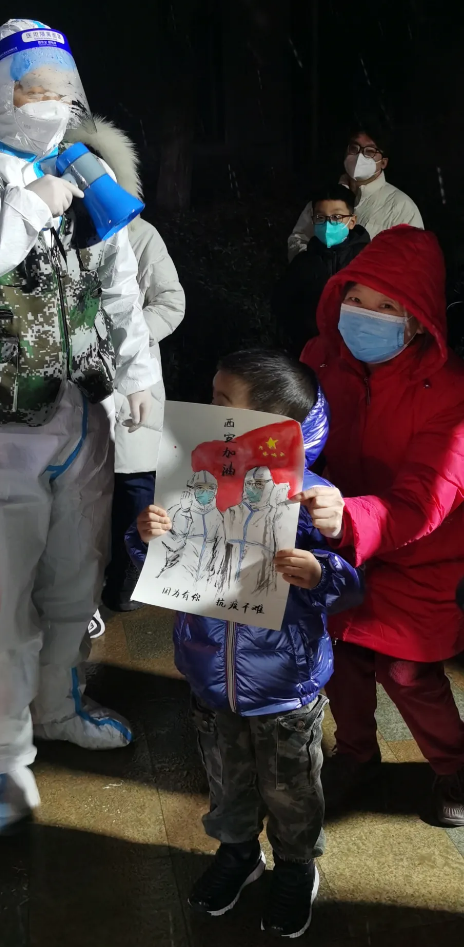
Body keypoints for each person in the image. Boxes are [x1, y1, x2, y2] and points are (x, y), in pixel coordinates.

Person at [0, 19, 160, 836]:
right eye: (33, 88)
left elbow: (117, 287)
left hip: (78, 416)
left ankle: (58, 708)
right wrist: (31, 200)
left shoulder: (85, 168)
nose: (53, 103)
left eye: (63, 88)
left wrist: (137, 380)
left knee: (71, 587)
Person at [130, 349, 363, 938]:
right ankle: (238, 854)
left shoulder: (313, 499)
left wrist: (320, 571)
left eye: (221, 401)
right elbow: (161, 564)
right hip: (210, 677)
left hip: (286, 687)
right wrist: (146, 537)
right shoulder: (194, 477)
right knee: (225, 780)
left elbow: (349, 586)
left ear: (268, 424)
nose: (209, 409)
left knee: (291, 789)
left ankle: (295, 866)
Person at [299, 225, 464, 828]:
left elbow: (424, 501)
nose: (365, 315)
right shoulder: (319, 361)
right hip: (336, 541)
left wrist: (350, 516)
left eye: (387, 306)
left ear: (418, 320)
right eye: (356, 298)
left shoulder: (450, 393)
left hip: (419, 553)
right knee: (341, 654)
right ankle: (356, 755)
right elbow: (291, 437)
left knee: (407, 670)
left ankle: (456, 768)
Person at [68, 116, 185, 614]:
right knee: (80, 493)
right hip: (76, 388)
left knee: (135, 487)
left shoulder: (140, 235)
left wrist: (128, 340)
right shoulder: (53, 232)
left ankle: (128, 583)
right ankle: (83, 592)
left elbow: (171, 302)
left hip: (131, 384)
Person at [288, 125, 423, 262]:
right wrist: (312, 265)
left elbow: (413, 260)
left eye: (370, 151)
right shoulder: (327, 196)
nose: (359, 156)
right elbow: (298, 238)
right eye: (354, 148)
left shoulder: (401, 207)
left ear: (383, 162)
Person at [273, 184, 369, 354]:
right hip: (312, 354)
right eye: (320, 217)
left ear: (352, 221)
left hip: (359, 354)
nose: (328, 223)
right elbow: (284, 310)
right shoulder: (302, 264)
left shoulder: (369, 262)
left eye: (336, 217)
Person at [222, 468, 289, 594]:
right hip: (227, 583)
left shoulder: (275, 515)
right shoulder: (232, 512)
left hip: (260, 585)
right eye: (249, 483)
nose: (252, 488)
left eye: (259, 484)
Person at [159, 470, 225, 584]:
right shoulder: (175, 511)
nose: (206, 492)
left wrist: (216, 569)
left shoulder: (217, 516)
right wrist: (184, 513)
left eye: (211, 488)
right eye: (200, 487)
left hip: (204, 574)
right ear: (190, 489)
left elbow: (220, 545)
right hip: (179, 572)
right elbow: (172, 543)